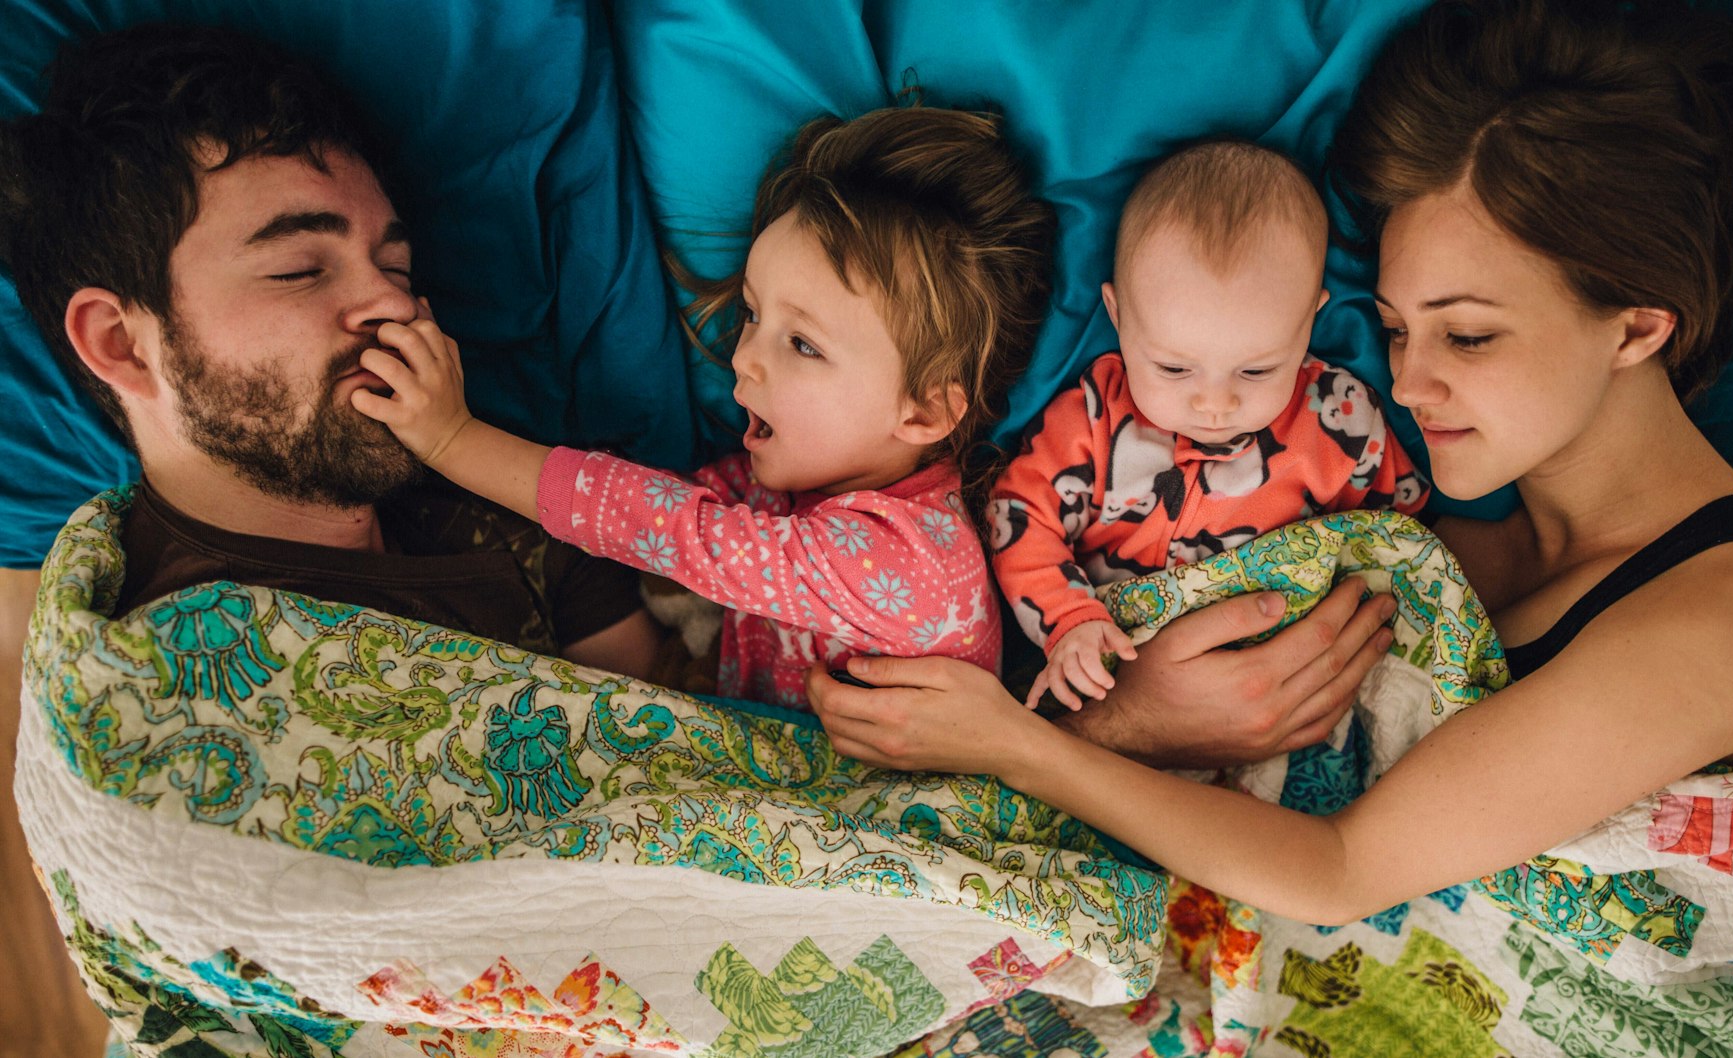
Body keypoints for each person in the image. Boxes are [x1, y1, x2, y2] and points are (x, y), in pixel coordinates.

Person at [811, 0, 1733, 939]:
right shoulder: (1413, 529)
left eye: (1467, 338)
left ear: (1635, 327)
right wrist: (1134, 720)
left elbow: (1340, 871)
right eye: (1397, 329)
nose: (1407, 384)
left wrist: (1021, 745)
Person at [0, 24, 657, 671]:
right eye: (300, 269)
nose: (398, 304)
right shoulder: (140, 671)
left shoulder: (521, 513)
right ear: (121, 344)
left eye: (397, 267)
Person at [353, 107, 1057, 710]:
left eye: (803, 345)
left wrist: (452, 440)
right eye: (751, 313)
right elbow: (710, 500)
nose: (744, 356)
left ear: (925, 413)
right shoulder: (811, 480)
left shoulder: (906, 560)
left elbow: (675, 528)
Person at [989, 139, 1426, 710]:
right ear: (1119, 319)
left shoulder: (1340, 420)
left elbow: (1406, 533)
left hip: (1290, 677)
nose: (1215, 404)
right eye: (1173, 368)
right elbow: (1019, 516)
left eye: (1256, 368)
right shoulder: (1092, 421)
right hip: (1114, 674)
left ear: (1308, 324)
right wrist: (1070, 619)